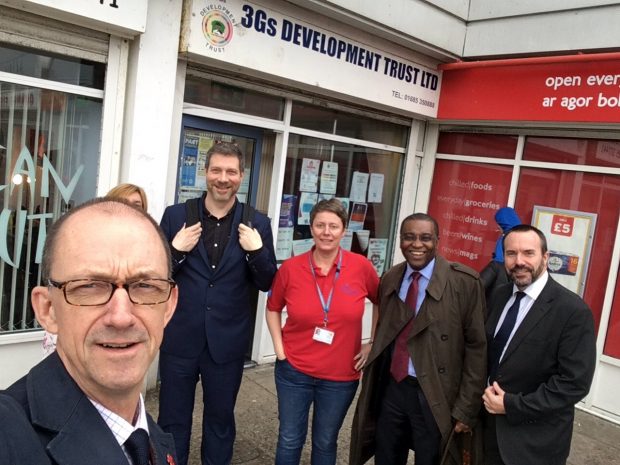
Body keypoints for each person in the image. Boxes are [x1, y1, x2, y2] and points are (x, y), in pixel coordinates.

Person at [0, 198, 179, 465]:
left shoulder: (152, 436)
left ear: (168, 306)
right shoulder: (9, 436)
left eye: (145, 286)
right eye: (89, 286)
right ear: (47, 309)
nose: (121, 317)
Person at [158, 141, 277, 465]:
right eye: (216, 170)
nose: (223, 178)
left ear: (241, 175)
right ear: (205, 173)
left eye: (231, 171)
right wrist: (176, 251)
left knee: (220, 423)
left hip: (226, 345)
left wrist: (256, 251)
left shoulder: (257, 223)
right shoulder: (176, 216)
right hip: (179, 339)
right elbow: (152, 278)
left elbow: (268, 282)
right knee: (171, 422)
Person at [350, 213, 487, 465]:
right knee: (387, 456)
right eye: (409, 237)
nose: (416, 244)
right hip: (393, 388)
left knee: (430, 458)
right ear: (400, 240)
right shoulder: (392, 277)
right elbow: (386, 328)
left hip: (434, 391)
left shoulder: (464, 283)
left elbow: (477, 349)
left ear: (437, 240)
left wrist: (467, 408)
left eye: (425, 238)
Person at [266, 198, 379, 465]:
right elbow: (272, 308)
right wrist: (280, 351)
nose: (326, 232)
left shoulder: (361, 267)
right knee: (290, 438)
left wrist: (372, 342)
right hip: (294, 370)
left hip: (341, 376)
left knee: (326, 441)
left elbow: (381, 301)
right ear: (312, 228)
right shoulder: (291, 269)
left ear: (344, 230)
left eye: (333, 226)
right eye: (320, 225)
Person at [482, 224, 596, 465]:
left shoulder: (572, 311)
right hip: (487, 432)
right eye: (511, 254)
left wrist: (513, 405)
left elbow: (574, 384)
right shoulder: (499, 295)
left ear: (546, 257)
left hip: (533, 445)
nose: (519, 261)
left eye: (528, 253)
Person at [41, 183, 150, 358]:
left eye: (136, 205)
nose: (129, 208)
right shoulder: (87, 236)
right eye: (122, 202)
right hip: (82, 316)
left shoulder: (146, 246)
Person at [480, 207, 522, 299]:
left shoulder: (506, 240)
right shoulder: (523, 237)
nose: (498, 227)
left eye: (500, 224)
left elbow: (478, 286)